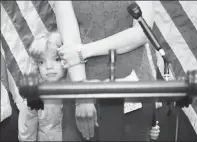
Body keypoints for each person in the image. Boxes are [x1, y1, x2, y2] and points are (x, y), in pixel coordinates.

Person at [54, 1, 160, 141]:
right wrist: (83, 96)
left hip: (132, 85)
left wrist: (84, 51)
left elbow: (142, 32)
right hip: (83, 86)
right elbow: (70, 44)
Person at [18, 31, 66, 141]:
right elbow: (27, 134)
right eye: (41, 62)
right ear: (36, 65)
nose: (49, 66)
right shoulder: (34, 95)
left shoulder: (76, 89)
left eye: (56, 59)